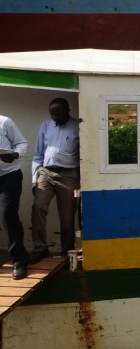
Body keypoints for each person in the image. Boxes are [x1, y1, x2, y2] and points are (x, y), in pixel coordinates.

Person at [31, 98, 80, 267]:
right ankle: (40, 248)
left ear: (67, 111)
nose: (55, 117)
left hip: (68, 175)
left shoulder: (77, 126)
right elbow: (38, 154)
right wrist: (34, 178)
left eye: (58, 114)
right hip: (46, 172)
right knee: (38, 207)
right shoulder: (46, 125)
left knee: (67, 218)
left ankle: (65, 253)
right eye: (52, 114)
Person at [0, 113, 30, 279]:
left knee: (8, 214)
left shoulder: (4, 122)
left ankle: (19, 259)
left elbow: (22, 143)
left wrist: (15, 155)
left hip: (9, 175)